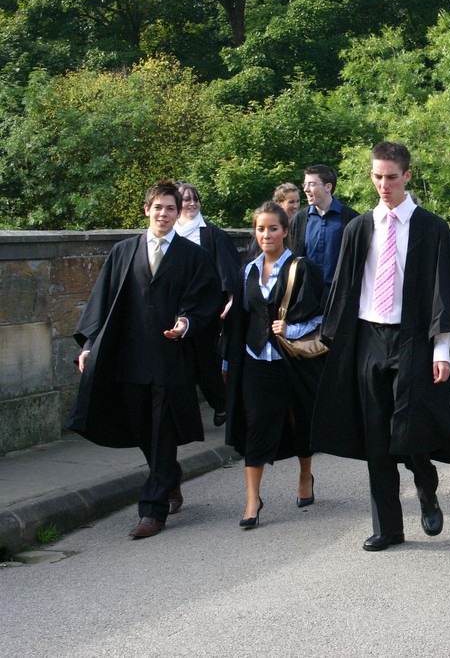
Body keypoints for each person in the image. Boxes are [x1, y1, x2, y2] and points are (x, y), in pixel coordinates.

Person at [311, 141, 450, 551]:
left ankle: (426, 488)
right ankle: (388, 527)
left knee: (409, 431)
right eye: (377, 176)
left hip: (414, 338)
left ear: (407, 176)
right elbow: (343, 292)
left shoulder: (430, 228)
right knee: (376, 435)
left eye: (391, 177)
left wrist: (442, 351)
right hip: (369, 339)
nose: (383, 185)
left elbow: (443, 292)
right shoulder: (359, 228)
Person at [67, 181, 220, 539]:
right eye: (158, 208)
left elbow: (206, 301)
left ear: (177, 212)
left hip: (171, 360)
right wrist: (90, 344)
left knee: (163, 430)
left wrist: (187, 322)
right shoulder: (123, 252)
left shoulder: (192, 255)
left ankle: (153, 510)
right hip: (130, 358)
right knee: (141, 428)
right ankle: (170, 476)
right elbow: (102, 303)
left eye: (170, 208)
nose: (164, 214)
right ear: (146, 210)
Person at [223, 202, 325, 528]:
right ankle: (253, 500)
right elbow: (239, 319)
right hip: (256, 362)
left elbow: (323, 314)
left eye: (273, 228)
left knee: (300, 422)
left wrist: (291, 329)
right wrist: (228, 360)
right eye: (261, 228)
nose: (266, 235)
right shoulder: (247, 271)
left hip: (293, 362)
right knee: (256, 426)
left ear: (285, 231)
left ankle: (305, 476)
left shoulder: (303, 268)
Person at [175, 182, 242, 428]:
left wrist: (231, 300)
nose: (192, 204)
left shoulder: (212, 234)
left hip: (205, 310)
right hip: (175, 310)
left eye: (196, 199)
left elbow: (229, 270)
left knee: (206, 362)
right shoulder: (169, 235)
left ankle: (222, 403)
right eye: (186, 199)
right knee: (179, 365)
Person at [288, 164, 361, 302]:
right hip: (306, 297)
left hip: (340, 297)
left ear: (328, 187)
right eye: (305, 184)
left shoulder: (352, 219)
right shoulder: (300, 219)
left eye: (311, 184)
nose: (305, 189)